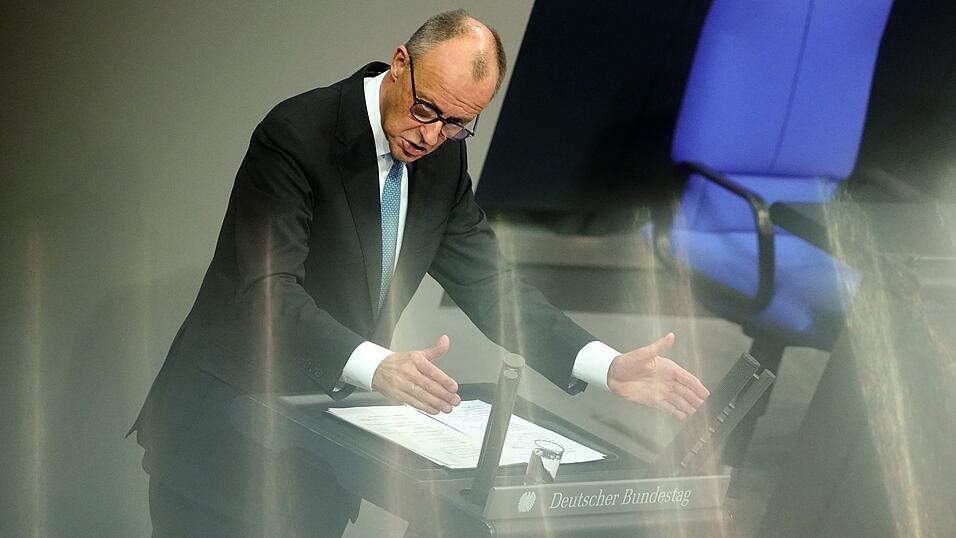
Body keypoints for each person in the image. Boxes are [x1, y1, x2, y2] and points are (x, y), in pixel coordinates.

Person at [130, 9, 710, 537]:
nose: (431, 136)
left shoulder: (441, 157)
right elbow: (266, 293)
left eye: (459, 124)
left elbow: (489, 283)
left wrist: (604, 365)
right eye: (426, 109)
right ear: (400, 63)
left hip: (316, 449)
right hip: (224, 436)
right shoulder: (296, 135)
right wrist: (377, 365)